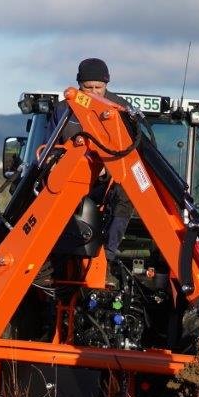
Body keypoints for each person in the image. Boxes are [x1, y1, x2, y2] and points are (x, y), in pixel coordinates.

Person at [72, 58, 134, 260]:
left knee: (126, 193)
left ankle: (108, 251)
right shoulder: (65, 108)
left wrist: (108, 167)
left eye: (98, 87)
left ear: (106, 84)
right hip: (73, 173)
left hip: (112, 174)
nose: (93, 91)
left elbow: (132, 148)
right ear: (79, 85)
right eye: (87, 87)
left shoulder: (120, 108)